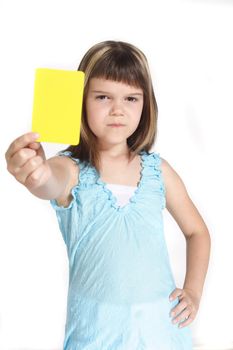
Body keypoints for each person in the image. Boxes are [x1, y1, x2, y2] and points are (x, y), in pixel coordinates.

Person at [5, 40, 211, 350]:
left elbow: (197, 232)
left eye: (131, 98)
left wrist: (193, 292)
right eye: (103, 97)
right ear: (80, 100)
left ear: (146, 104)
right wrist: (35, 173)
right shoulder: (70, 170)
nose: (118, 109)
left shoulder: (159, 171)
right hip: (95, 338)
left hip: (163, 335)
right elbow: (48, 181)